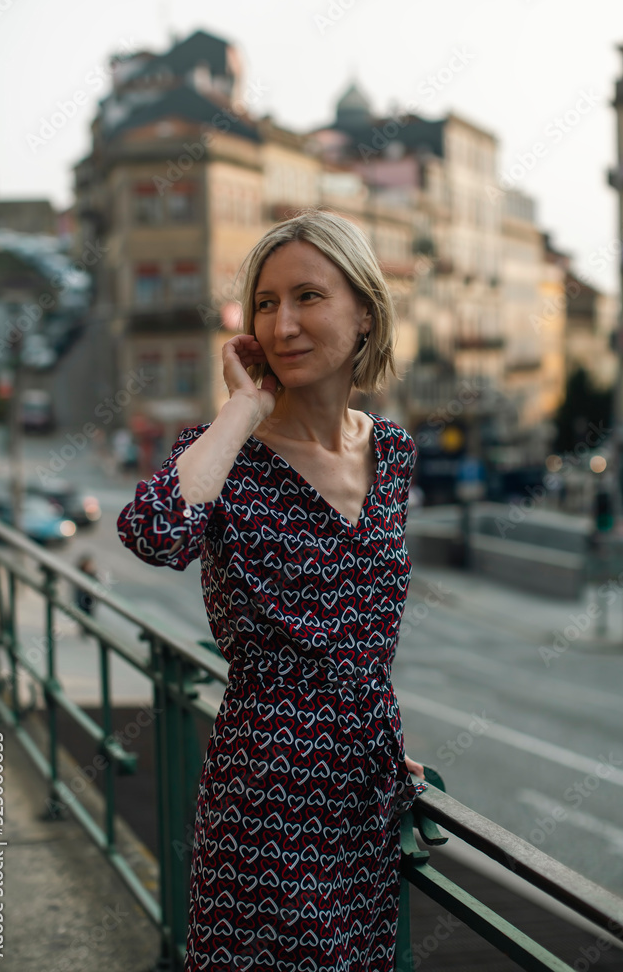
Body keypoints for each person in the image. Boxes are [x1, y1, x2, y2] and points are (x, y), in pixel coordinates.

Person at [117, 208, 430, 971]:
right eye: (264, 302)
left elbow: (356, 639)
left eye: (307, 297)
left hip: (363, 801)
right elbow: (154, 533)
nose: (282, 323)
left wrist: (380, 741)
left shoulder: (390, 452)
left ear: (364, 311)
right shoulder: (225, 457)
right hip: (266, 809)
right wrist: (243, 409)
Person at [74, 554, 97, 638]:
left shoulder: (92, 574)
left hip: (89, 600)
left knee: (89, 614)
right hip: (82, 599)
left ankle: (88, 630)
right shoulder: (80, 573)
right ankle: (84, 630)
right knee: (83, 614)